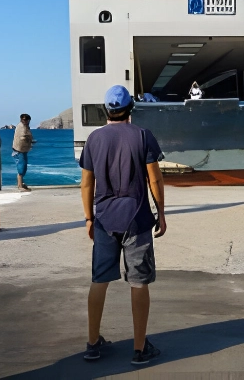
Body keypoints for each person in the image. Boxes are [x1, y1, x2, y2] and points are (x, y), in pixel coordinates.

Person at [79, 85, 167, 366]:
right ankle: (139, 349)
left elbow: (86, 183)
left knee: (99, 280)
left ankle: (93, 344)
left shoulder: (94, 139)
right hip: (137, 218)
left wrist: (88, 217)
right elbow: (154, 179)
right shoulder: (143, 136)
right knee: (139, 282)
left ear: (106, 110)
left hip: (104, 218)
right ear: (131, 108)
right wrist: (161, 213)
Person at [12, 113, 36, 191]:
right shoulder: (21, 127)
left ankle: (21, 183)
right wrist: (29, 140)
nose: (24, 121)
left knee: (23, 167)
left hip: (22, 150)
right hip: (19, 150)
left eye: (26, 119)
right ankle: (20, 185)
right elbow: (22, 137)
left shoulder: (25, 126)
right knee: (21, 167)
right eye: (23, 119)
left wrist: (30, 141)